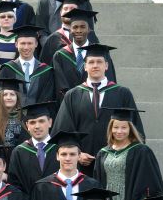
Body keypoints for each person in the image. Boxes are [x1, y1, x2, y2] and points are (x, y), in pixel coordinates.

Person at [53, 43, 142, 175]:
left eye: (99, 62)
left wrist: (121, 153)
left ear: (106, 66)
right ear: (85, 66)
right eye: (91, 62)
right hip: (81, 166)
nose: (95, 65)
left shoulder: (122, 93)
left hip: (114, 164)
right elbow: (63, 130)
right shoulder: (73, 95)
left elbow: (135, 130)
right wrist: (78, 153)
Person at [94, 108, 163, 200]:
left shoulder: (141, 151)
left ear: (130, 129)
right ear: (110, 128)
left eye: (124, 127)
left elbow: (148, 185)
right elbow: (98, 182)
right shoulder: (103, 152)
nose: (119, 131)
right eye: (116, 127)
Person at [51, 11, 118, 100]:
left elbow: (109, 81)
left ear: (89, 29)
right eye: (75, 27)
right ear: (70, 30)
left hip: (97, 104)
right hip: (69, 105)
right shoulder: (60, 56)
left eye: (83, 27)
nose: (79, 30)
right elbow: (59, 86)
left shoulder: (101, 53)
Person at [0, 25, 56, 109]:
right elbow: (0, 97)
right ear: (16, 44)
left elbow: (47, 97)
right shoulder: (6, 69)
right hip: (12, 117)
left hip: (37, 118)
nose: (26, 47)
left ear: (36, 44)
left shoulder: (45, 71)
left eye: (30, 43)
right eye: (23, 43)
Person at [7, 102, 59, 194]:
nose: (37, 126)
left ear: (50, 122)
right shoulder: (19, 152)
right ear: (27, 125)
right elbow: (14, 185)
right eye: (32, 122)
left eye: (41, 121)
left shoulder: (60, 149)